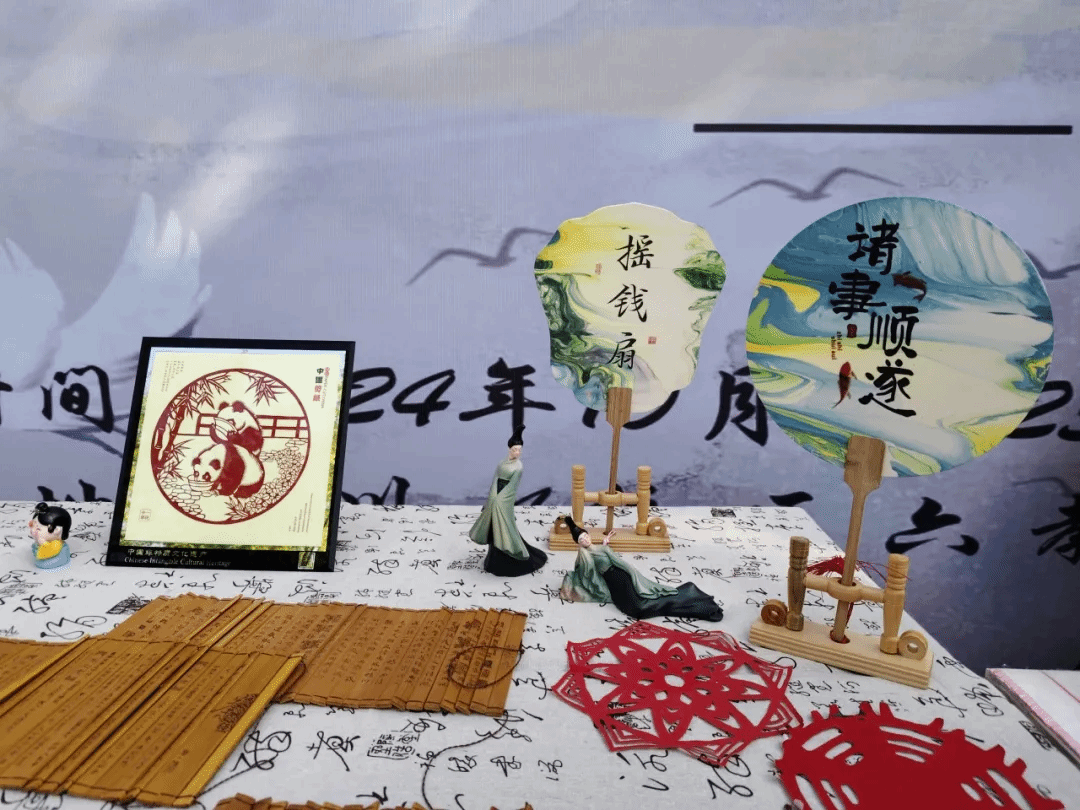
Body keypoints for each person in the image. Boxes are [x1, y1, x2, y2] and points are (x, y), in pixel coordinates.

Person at [559, 515, 723, 621]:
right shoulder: (585, 555)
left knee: (639, 607)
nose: (585, 540)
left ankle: (691, 596)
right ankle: (689, 595)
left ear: (588, 535)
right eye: (581, 540)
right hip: (612, 582)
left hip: (620, 577)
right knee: (635, 608)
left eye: (585, 536)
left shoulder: (600, 549)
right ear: (578, 543)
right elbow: (584, 569)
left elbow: (605, 554)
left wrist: (605, 544)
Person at [468, 425, 547, 576]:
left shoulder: (518, 467)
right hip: (495, 495)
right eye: (515, 449)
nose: (517, 453)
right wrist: (492, 498)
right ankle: (495, 555)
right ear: (509, 449)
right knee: (493, 525)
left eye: (519, 450)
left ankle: (510, 550)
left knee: (505, 525)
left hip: (505, 499)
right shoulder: (501, 463)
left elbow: (512, 487)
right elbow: (496, 479)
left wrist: (499, 500)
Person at [28, 502, 72, 570]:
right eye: (33, 526)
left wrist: (43, 543)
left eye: (38, 529)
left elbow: (45, 551)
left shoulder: (55, 545)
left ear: (57, 530)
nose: (34, 531)